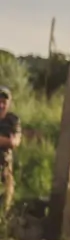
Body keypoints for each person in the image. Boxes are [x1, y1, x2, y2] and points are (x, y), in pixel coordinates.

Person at [0, 86, 21, 215]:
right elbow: (9, 141)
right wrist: (6, 140)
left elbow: (14, 142)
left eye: (4, 102)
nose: (1, 105)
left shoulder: (13, 120)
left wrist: (9, 142)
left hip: (5, 168)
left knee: (5, 207)